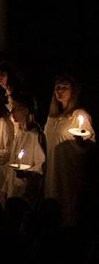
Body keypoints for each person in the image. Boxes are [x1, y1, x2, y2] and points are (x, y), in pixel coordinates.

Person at [43, 73, 94, 224]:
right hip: (52, 172)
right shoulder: (52, 118)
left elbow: (89, 143)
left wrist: (82, 142)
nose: (60, 91)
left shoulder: (79, 115)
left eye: (64, 87)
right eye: (57, 87)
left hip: (68, 172)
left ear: (73, 91)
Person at [4, 91, 45, 203]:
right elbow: (12, 162)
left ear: (26, 110)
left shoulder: (34, 136)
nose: (12, 112)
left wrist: (27, 173)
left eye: (15, 108)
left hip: (25, 192)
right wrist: (5, 188)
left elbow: (39, 166)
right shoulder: (20, 134)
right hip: (13, 190)